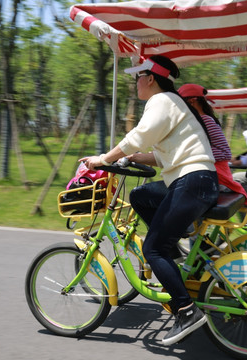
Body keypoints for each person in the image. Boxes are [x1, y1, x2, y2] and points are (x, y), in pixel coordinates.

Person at [79, 55, 218, 346]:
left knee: (153, 249)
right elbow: (164, 152)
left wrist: (103, 159)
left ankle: (186, 310)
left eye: (137, 77)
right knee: (141, 195)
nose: (135, 83)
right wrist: (135, 158)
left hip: (191, 182)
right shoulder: (173, 102)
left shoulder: (161, 101)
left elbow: (138, 135)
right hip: (195, 180)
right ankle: (175, 253)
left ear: (150, 78)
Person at [178, 83, 247, 203]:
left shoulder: (205, 121)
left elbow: (224, 152)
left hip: (216, 178)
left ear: (191, 102)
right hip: (210, 175)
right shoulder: (201, 121)